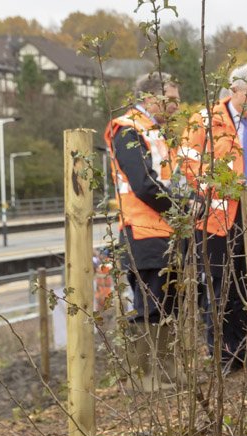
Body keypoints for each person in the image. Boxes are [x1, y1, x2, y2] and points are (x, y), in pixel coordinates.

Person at [179, 63, 247, 372]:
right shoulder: (206, 121)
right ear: (236, 90)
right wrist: (214, 189)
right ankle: (225, 354)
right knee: (221, 288)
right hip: (219, 219)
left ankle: (245, 349)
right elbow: (188, 163)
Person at [104, 71, 182, 392]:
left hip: (164, 231)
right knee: (151, 304)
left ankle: (166, 373)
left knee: (167, 304)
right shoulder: (129, 130)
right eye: (172, 100)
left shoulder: (155, 132)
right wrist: (181, 211)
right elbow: (143, 185)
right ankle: (148, 377)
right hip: (143, 231)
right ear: (152, 97)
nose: (178, 107)